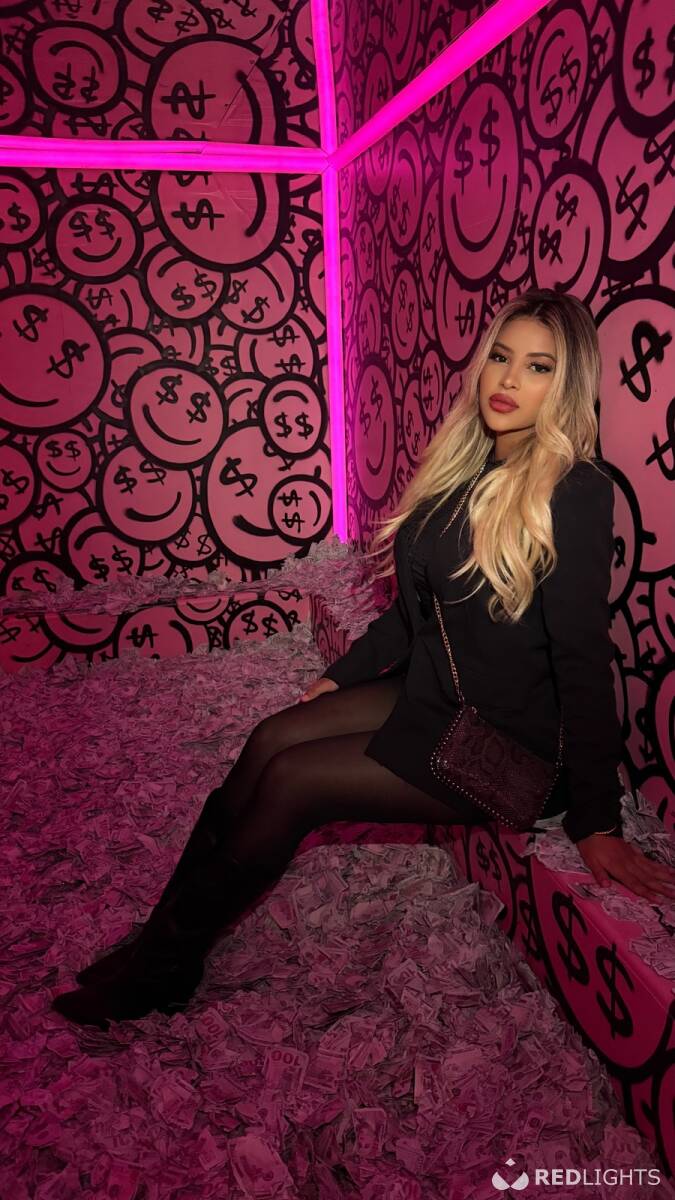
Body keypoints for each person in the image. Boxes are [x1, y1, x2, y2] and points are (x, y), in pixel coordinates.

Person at [51, 288, 675, 1030]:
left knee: (293, 780)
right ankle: (161, 944)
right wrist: (337, 675)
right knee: (271, 737)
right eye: (500, 358)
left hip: (507, 747)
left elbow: (582, 658)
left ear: (565, 386)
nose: (508, 380)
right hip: (439, 694)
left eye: (538, 367)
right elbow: (413, 615)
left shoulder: (574, 491)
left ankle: (159, 969)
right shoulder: (463, 468)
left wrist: (597, 820)